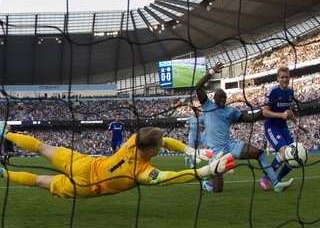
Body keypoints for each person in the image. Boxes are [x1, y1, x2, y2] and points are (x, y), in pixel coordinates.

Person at [0, 121, 234, 198]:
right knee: (41, 181)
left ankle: (5, 132)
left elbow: (167, 141)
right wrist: (205, 172)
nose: (163, 145)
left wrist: (191, 152)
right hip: (87, 186)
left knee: (42, 147)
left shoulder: (133, 139)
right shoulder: (143, 173)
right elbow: (170, 178)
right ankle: (2, 173)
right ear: (152, 151)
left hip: (85, 163)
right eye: (160, 146)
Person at [195, 62, 294, 192]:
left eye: (224, 97)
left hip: (230, 145)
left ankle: (276, 184)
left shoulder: (231, 111)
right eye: (220, 97)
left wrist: (264, 108)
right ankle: (207, 184)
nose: (222, 99)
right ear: (214, 97)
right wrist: (212, 71)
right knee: (217, 189)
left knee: (260, 154)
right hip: (216, 152)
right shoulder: (207, 105)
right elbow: (198, 87)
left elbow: (251, 119)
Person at [259, 66, 308, 191]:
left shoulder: (290, 92)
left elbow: (289, 110)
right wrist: (281, 115)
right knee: (284, 151)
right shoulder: (273, 92)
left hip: (283, 127)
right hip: (271, 127)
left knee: (295, 156)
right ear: (278, 78)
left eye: (287, 77)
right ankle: (265, 178)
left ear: (289, 77)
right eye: (282, 77)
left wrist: (298, 124)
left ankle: (278, 179)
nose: (285, 79)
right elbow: (265, 112)